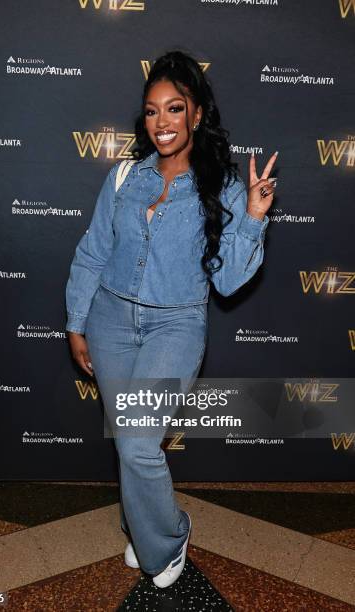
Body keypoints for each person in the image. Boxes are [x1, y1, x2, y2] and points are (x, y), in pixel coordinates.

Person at [65, 49, 277, 588]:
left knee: (137, 441)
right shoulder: (124, 178)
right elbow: (93, 251)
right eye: (152, 111)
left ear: (198, 113)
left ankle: (168, 536)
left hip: (175, 325)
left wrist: (252, 217)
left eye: (175, 109)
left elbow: (228, 282)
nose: (162, 122)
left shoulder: (224, 188)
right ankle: (143, 529)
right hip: (110, 320)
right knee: (128, 442)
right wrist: (76, 321)